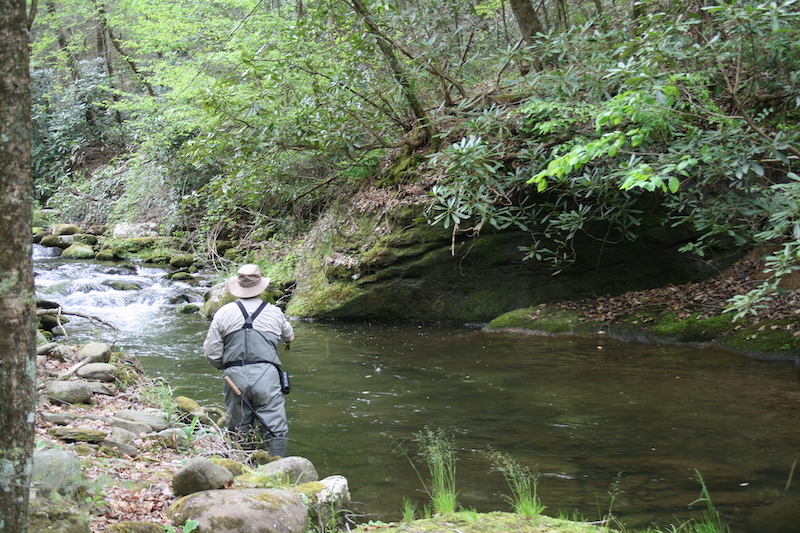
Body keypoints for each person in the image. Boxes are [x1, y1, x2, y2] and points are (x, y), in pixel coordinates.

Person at [203, 264, 294, 457]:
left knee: (238, 429)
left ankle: (241, 468)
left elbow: (211, 351)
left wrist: (227, 366)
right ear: (260, 286)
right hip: (267, 376)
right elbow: (289, 336)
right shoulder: (274, 312)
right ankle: (278, 469)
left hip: (233, 376)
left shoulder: (223, 312)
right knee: (275, 428)